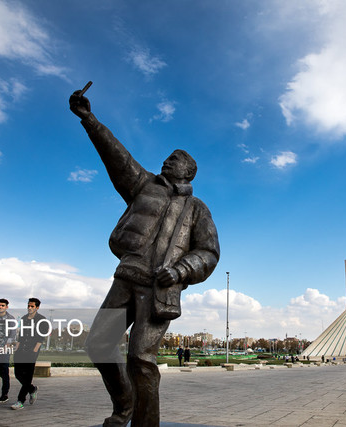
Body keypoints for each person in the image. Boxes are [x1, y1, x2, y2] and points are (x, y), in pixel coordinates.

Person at [70, 87, 220, 427]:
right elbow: (117, 157)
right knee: (98, 344)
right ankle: (124, 406)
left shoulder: (197, 209)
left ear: (188, 171)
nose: (167, 160)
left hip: (158, 290)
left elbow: (209, 252)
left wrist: (182, 269)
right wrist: (90, 120)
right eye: (167, 157)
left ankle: (144, 423)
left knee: (141, 358)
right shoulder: (144, 186)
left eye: (175, 159)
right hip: (126, 278)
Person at [11, 298, 48, 410]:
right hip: (20, 350)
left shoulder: (42, 320)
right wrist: (16, 348)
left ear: (37, 307)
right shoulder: (23, 319)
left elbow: (41, 338)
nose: (29, 308)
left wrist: (34, 351)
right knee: (18, 374)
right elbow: (20, 336)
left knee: (27, 377)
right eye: (28, 306)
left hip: (31, 351)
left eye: (32, 306)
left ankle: (20, 401)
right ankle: (32, 389)